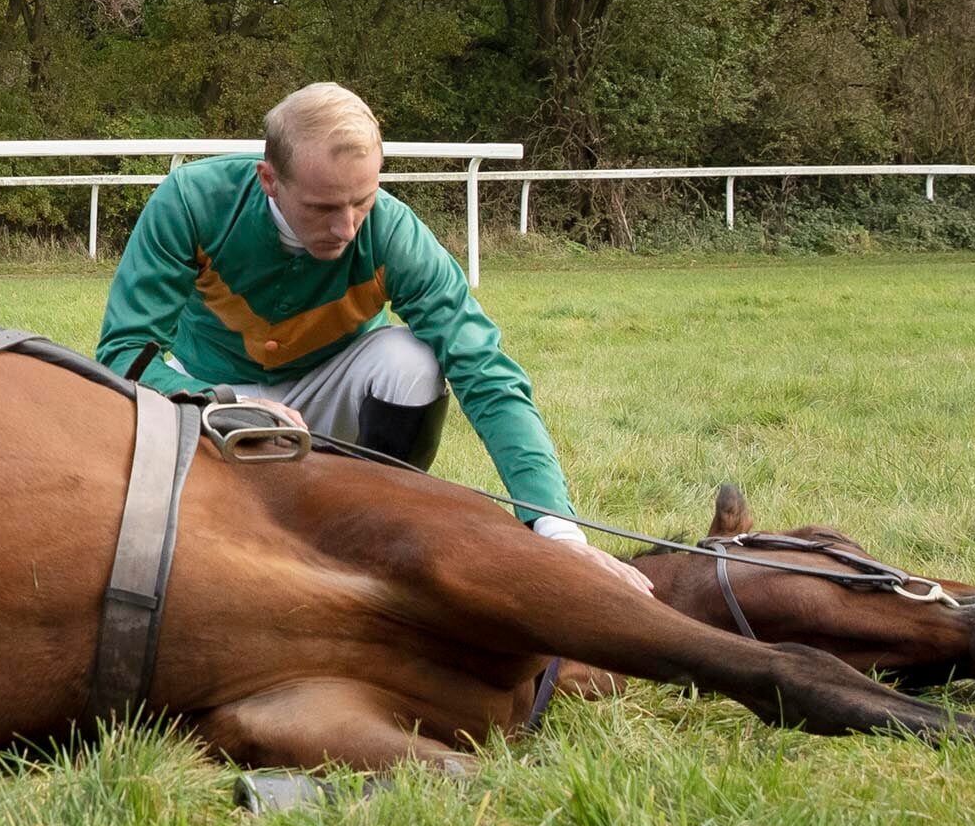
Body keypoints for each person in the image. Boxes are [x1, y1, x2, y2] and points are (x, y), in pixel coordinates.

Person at [97, 82, 650, 597]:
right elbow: (124, 354)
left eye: (363, 200)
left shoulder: (395, 232)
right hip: (212, 396)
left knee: (412, 360)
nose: (347, 228)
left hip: (330, 390)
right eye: (323, 208)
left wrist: (557, 531)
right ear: (269, 178)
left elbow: (485, 370)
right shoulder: (191, 200)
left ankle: (376, 530)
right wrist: (229, 403)